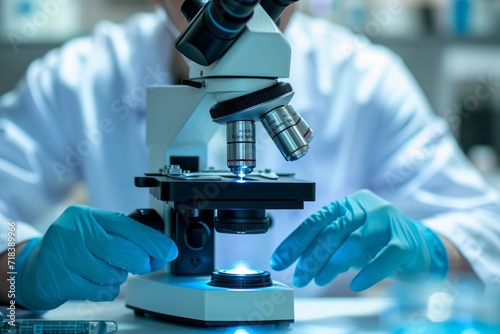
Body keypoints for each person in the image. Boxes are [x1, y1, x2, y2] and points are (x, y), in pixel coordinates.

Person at [1, 0, 499, 310]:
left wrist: (429, 249)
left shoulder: (365, 78)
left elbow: (487, 230)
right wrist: (22, 269)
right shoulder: (79, 77)